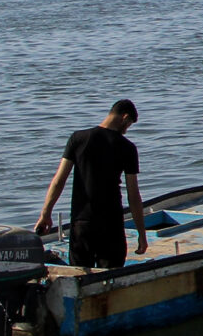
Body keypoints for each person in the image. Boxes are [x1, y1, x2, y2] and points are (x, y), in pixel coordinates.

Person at [35, 99, 146, 268]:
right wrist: (141, 233)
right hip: (111, 224)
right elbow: (133, 195)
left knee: (79, 274)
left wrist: (45, 214)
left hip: (81, 223)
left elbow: (59, 180)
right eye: (128, 125)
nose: (125, 131)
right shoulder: (127, 147)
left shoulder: (78, 138)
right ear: (124, 117)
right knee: (111, 277)